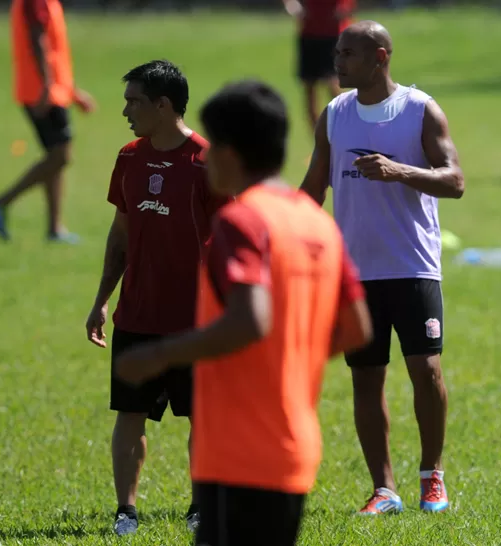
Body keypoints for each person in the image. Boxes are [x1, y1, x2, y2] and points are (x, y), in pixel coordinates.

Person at [115, 79, 372, 546]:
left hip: (236, 449)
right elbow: (357, 328)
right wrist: (291, 354)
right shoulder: (316, 223)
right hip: (295, 447)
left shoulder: (242, 221)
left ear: (231, 155)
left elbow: (249, 320)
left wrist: (160, 355)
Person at [300, 20, 465, 515]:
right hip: (353, 274)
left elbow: (454, 180)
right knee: (365, 378)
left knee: (426, 369)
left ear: (380, 56)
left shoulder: (419, 110)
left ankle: (432, 476)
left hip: (412, 266)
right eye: (336, 53)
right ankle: (384, 488)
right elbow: (313, 187)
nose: (338, 62)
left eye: (348, 53)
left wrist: (400, 171)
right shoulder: (333, 115)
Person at [84, 60, 231, 537]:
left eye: (134, 101)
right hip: (138, 314)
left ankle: (200, 506)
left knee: (205, 419)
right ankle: (126, 511)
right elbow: (120, 233)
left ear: (163, 106)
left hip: (196, 320)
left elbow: (235, 241)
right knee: (129, 415)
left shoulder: (209, 162)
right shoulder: (129, 157)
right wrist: (103, 298)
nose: (125, 110)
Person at [0, 0, 96, 243]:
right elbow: (37, 39)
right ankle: (1, 202)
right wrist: (47, 86)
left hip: (50, 89)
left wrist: (73, 91)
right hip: (44, 92)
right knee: (61, 156)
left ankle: (54, 228)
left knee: (55, 157)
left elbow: (53, 48)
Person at [283, 0, 355, 131]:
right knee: (309, 87)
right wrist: (291, 4)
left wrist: (345, 6)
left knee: (334, 83)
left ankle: (350, 130)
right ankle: (320, 142)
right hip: (309, 32)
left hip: (334, 32)